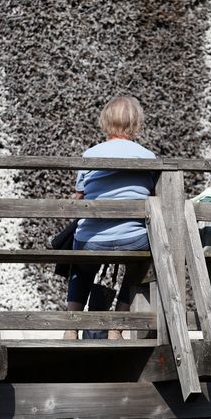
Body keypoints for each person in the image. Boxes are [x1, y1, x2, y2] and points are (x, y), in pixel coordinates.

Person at [64, 96, 155, 340]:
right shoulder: (148, 157)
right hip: (134, 239)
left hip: (92, 239)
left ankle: (70, 328)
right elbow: (155, 197)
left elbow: (79, 198)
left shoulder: (90, 154)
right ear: (137, 123)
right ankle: (117, 328)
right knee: (137, 269)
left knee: (81, 267)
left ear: (105, 122)